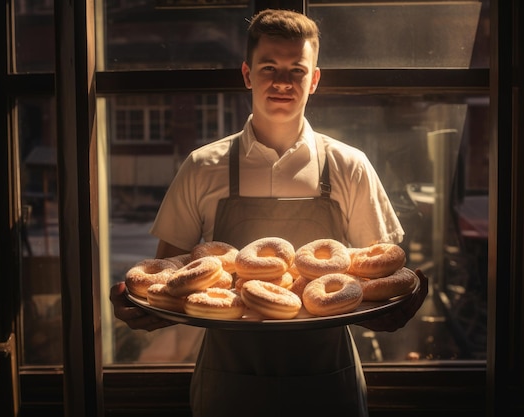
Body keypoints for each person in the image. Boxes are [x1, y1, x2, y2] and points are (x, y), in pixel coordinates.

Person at [110, 9, 429, 417]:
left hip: (327, 379)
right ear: (247, 74)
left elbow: (377, 278)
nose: (282, 81)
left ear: (314, 80)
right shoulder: (202, 166)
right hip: (228, 381)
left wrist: (396, 311)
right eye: (268, 67)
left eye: (297, 70)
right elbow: (169, 278)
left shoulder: (350, 166)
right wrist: (140, 311)